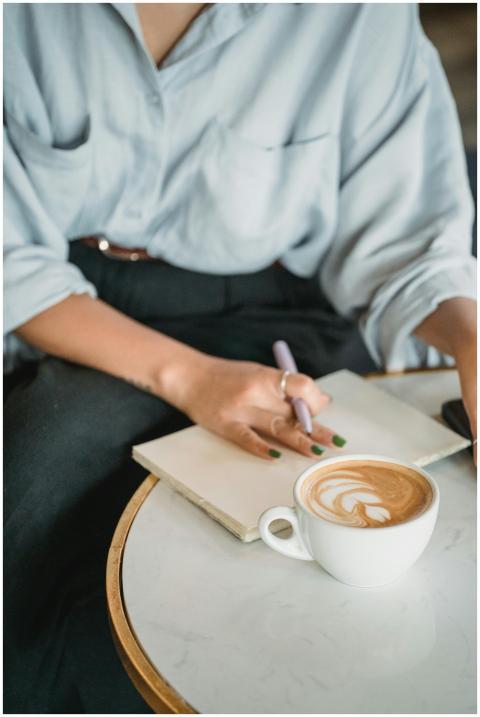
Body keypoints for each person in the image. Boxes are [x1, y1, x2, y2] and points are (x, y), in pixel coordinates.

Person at [4, 3, 476, 713]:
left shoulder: (359, 15)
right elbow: (11, 259)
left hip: (287, 298)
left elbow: (410, 249)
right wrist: (192, 376)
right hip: (76, 305)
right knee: (32, 489)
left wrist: (470, 339)